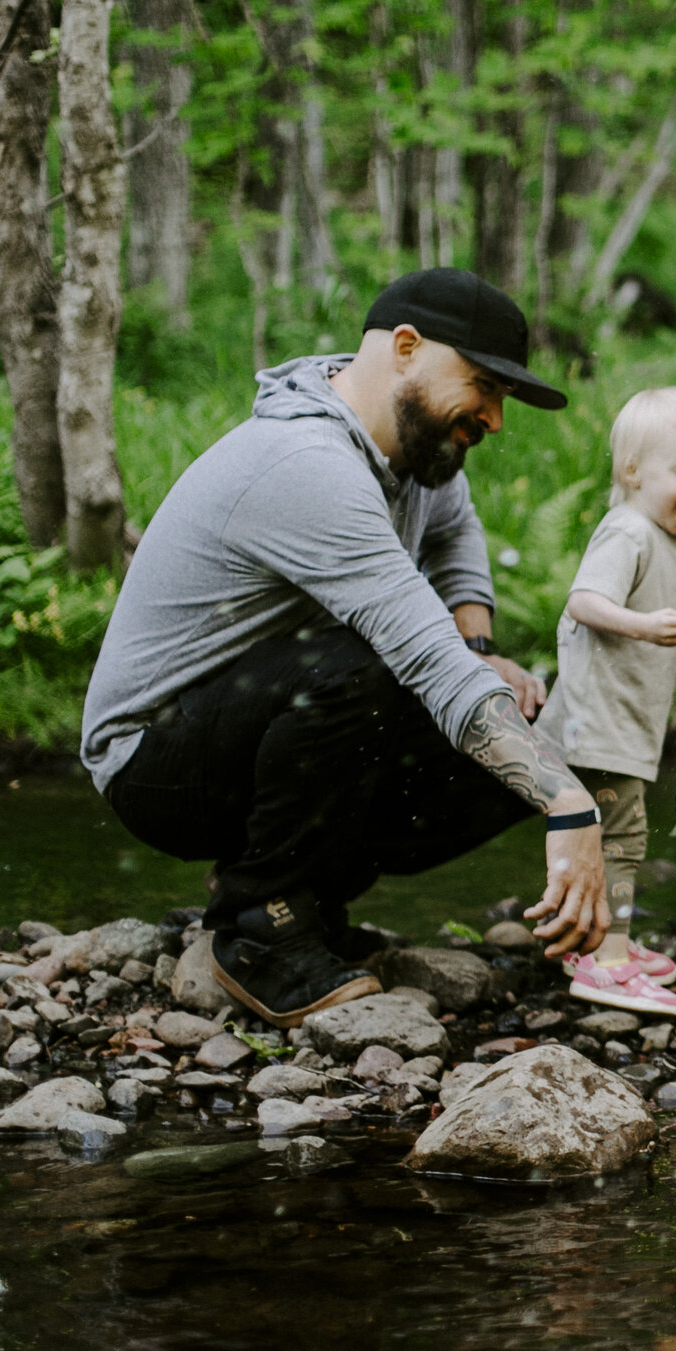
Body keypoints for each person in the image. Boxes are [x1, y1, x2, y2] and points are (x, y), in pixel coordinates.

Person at [79, 269, 614, 1026]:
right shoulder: (308, 465)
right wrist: (569, 806)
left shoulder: (418, 449)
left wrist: (482, 644)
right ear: (405, 347)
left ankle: (311, 898)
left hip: (255, 730)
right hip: (152, 762)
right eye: (484, 386)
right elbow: (420, 656)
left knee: (536, 715)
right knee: (378, 664)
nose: (495, 418)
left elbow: (455, 530)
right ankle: (257, 929)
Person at [534, 386, 676, 1016]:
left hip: (622, 722)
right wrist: (648, 626)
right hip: (600, 724)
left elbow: (649, 613)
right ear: (632, 472)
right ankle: (606, 961)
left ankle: (597, 939)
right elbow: (585, 602)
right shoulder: (629, 530)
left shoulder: (659, 535)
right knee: (619, 839)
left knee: (617, 836)